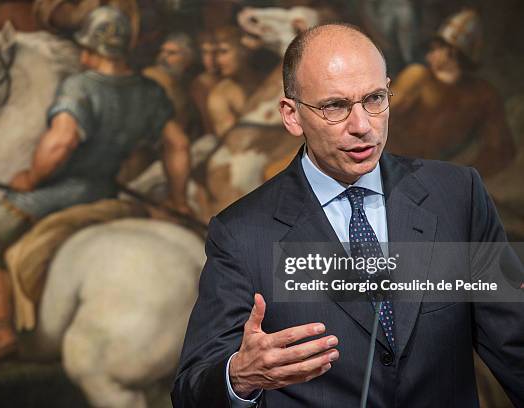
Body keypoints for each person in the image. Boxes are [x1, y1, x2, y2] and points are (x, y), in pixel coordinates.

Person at [171, 23, 524, 407]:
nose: (362, 126)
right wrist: (238, 378)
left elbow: (515, 346)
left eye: (374, 99)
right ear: (292, 116)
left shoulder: (457, 196)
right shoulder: (241, 233)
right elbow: (192, 389)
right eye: (335, 106)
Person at [0, 5, 190, 385]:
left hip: (58, 195)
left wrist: (31, 177)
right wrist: (179, 198)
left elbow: (61, 142)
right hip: (107, 193)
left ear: (88, 46)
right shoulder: (148, 91)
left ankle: (0, 332)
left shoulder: (81, 87)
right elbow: (178, 144)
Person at [386, 9, 516, 178]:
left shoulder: (483, 95)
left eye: (436, 49)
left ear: (451, 52)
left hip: (428, 179)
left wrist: (461, 178)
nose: (429, 55)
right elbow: (377, 113)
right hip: (390, 169)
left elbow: (501, 149)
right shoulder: (416, 77)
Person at [207, 26, 261, 138]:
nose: (219, 60)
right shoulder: (219, 96)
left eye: (224, 52)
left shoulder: (266, 79)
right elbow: (232, 142)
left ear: (244, 51)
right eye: (216, 54)